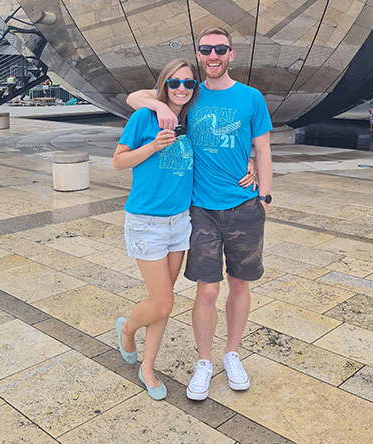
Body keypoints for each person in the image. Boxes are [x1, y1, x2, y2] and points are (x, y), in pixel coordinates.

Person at [127, 26, 273, 401]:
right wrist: (159, 106)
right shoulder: (189, 94)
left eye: (220, 49)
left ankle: (232, 354)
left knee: (239, 285)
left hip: (244, 206)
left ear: (231, 54)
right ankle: (204, 361)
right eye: (206, 49)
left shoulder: (251, 97)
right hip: (201, 210)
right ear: (199, 55)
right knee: (207, 291)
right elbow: (135, 96)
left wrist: (264, 196)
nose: (213, 56)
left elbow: (263, 149)